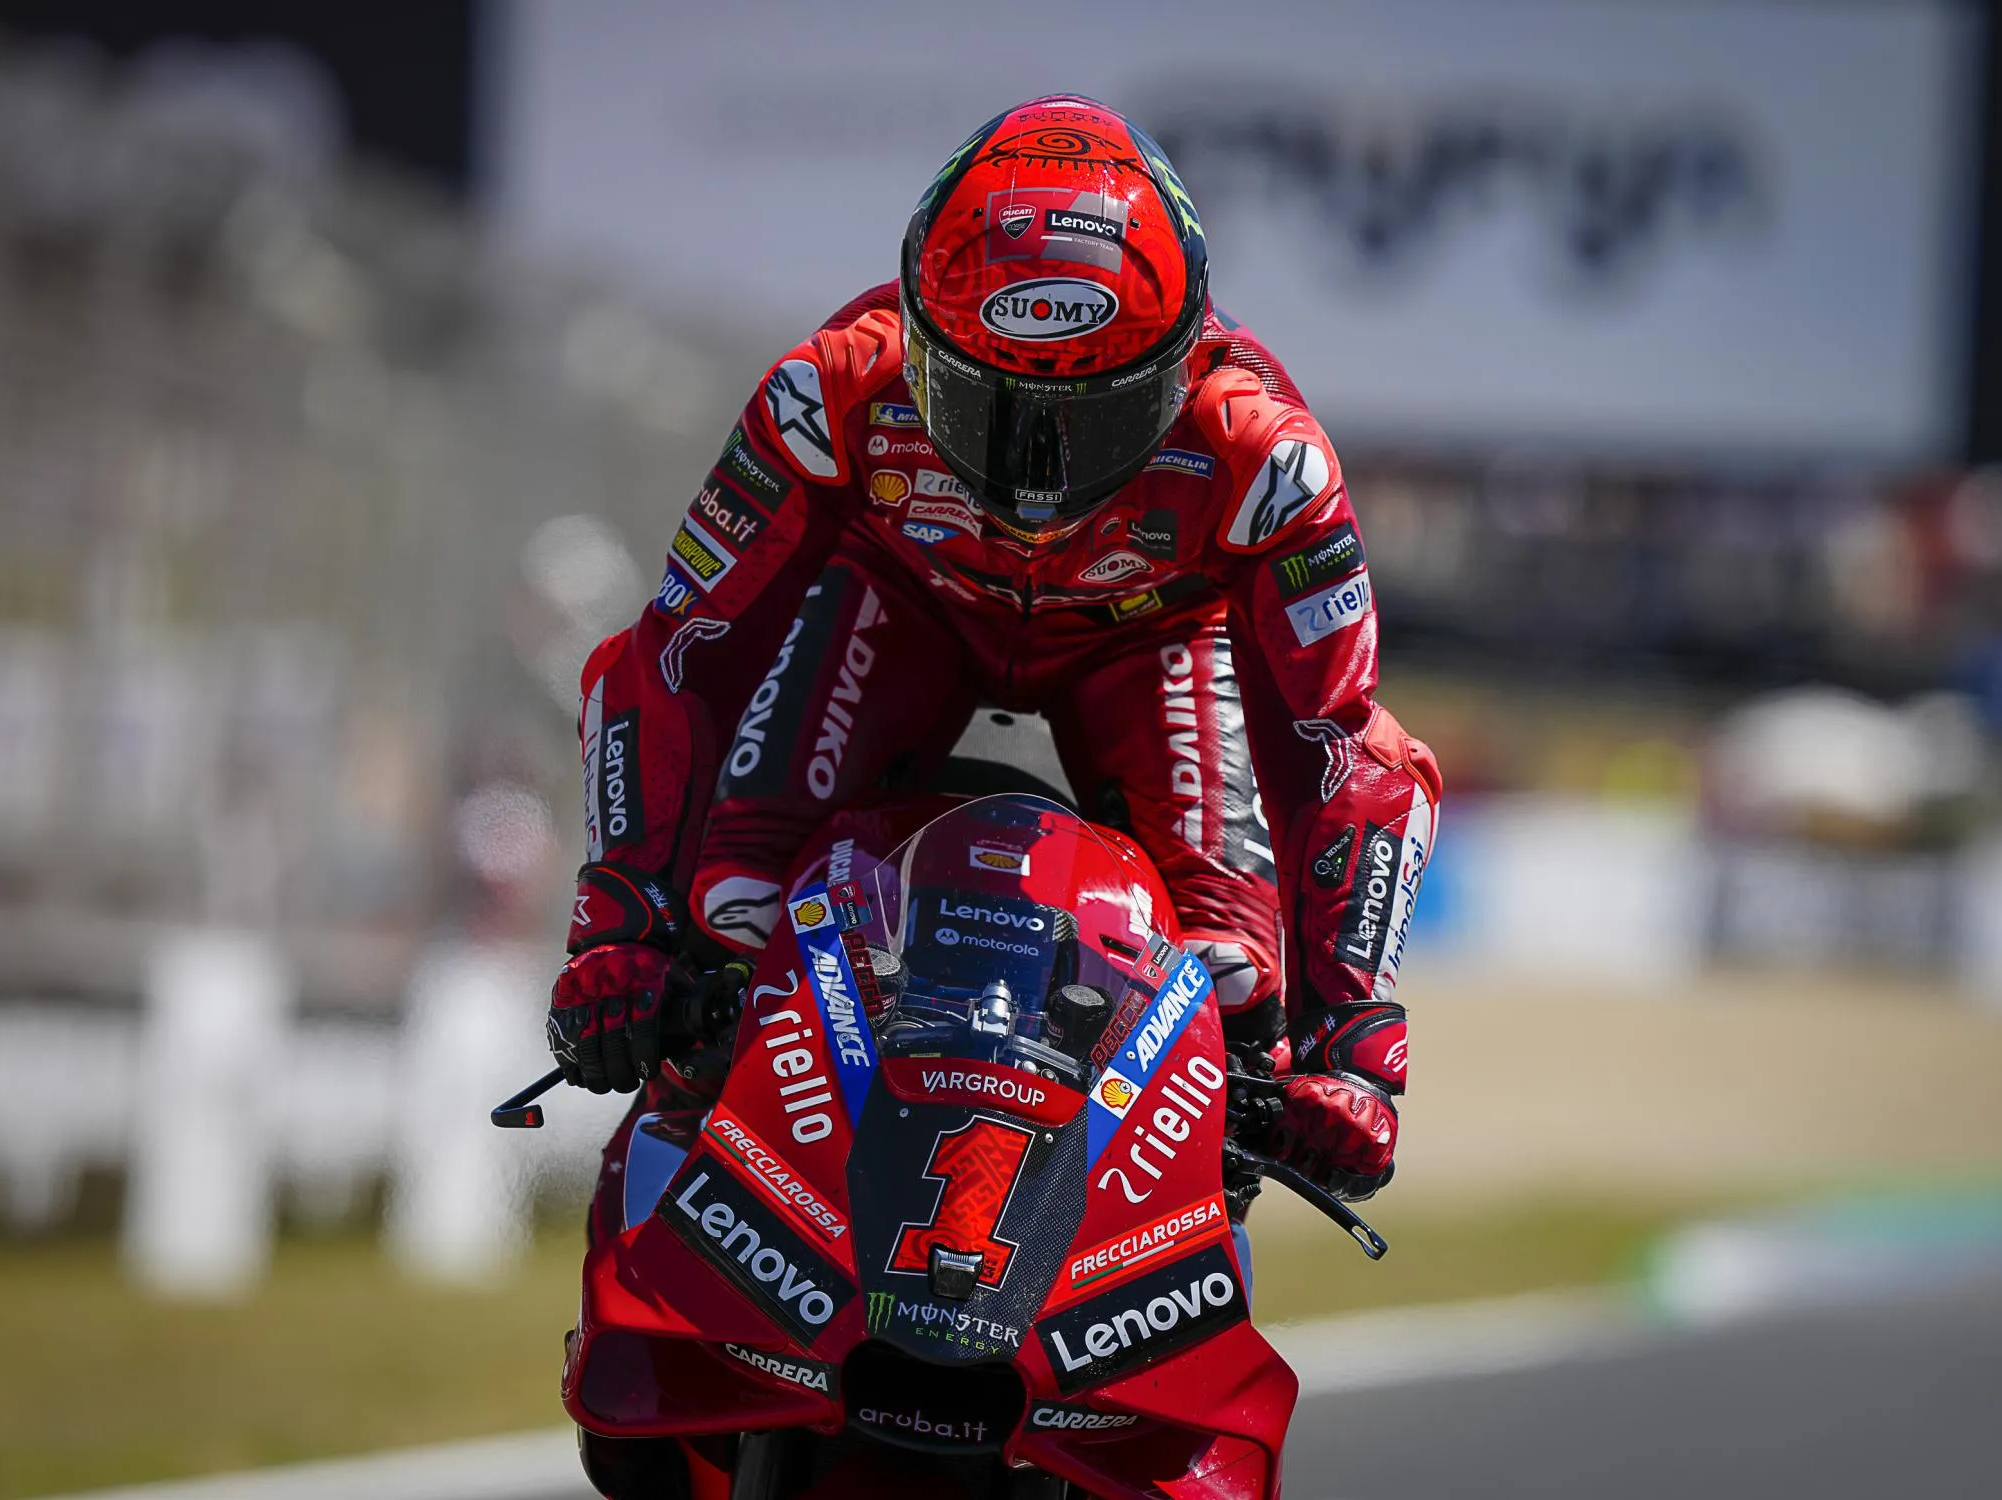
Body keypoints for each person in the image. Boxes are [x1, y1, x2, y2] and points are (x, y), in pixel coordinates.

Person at [550, 94, 1439, 1206]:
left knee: (1231, 983)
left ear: (1184, 361)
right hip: (901, 601)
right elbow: (678, 654)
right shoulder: (827, 390)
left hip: (1148, 637)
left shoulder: (1266, 457)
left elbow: (1341, 751)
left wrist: (1352, 1042)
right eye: (985, 409)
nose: (1035, 482)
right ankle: (694, 1209)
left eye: (1092, 419)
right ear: (920, 345)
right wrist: (622, 923)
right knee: (734, 904)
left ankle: (1163, 1265)